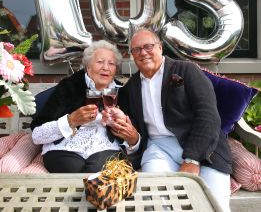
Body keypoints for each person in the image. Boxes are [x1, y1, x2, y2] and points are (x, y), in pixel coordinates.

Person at [110, 28, 232, 212]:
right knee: (158, 201)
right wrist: (126, 129)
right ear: (132, 55)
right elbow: (134, 129)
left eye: (148, 46)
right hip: (158, 149)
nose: (143, 52)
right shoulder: (131, 88)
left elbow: (208, 115)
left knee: (214, 205)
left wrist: (192, 160)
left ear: (160, 48)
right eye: (137, 49)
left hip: (203, 146)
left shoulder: (187, 70)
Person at [30, 40, 139, 173]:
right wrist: (71, 121)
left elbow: (134, 140)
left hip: (105, 148)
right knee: (72, 171)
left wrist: (125, 130)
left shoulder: (121, 92)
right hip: (65, 148)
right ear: (88, 66)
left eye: (111, 63)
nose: (106, 67)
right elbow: (37, 135)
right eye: (100, 62)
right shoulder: (69, 87)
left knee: (99, 173)